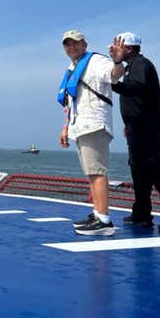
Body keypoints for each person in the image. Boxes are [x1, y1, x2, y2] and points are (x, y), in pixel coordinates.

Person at [109, 32, 160, 233]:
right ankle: (142, 213)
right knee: (138, 170)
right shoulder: (132, 67)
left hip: (148, 128)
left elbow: (135, 88)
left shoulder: (141, 65)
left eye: (118, 46)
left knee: (154, 169)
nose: (114, 50)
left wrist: (112, 84)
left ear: (128, 48)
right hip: (137, 127)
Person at [58, 30, 125, 235]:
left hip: (94, 123)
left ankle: (104, 220)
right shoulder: (72, 68)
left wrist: (117, 61)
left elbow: (115, 75)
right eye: (67, 45)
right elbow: (71, 102)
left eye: (76, 43)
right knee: (91, 172)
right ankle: (97, 213)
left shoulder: (96, 61)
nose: (72, 47)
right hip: (80, 126)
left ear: (85, 44)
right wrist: (65, 125)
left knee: (97, 172)